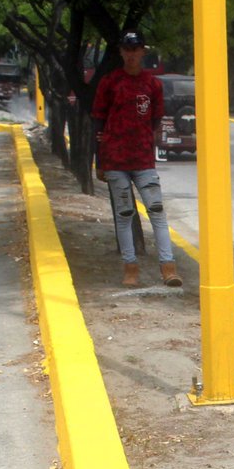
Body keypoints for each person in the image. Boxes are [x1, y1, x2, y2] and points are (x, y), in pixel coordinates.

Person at [91, 30, 183, 289]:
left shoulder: (152, 85)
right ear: (121, 52)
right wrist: (100, 159)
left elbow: (155, 119)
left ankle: (168, 267)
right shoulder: (109, 83)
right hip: (115, 159)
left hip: (143, 160)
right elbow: (98, 120)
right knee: (124, 214)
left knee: (157, 212)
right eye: (127, 49)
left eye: (136, 49)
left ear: (143, 51)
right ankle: (130, 268)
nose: (132, 54)